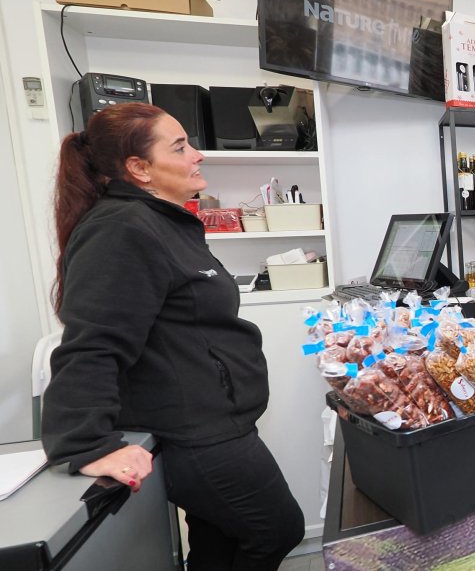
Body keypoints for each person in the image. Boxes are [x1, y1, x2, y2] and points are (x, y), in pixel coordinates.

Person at [41, 103, 304, 570]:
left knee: (220, 541)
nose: (197, 155)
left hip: (215, 423)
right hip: (197, 435)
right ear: (139, 168)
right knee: (276, 529)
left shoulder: (163, 222)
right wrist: (85, 445)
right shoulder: (121, 228)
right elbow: (93, 342)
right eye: (180, 147)